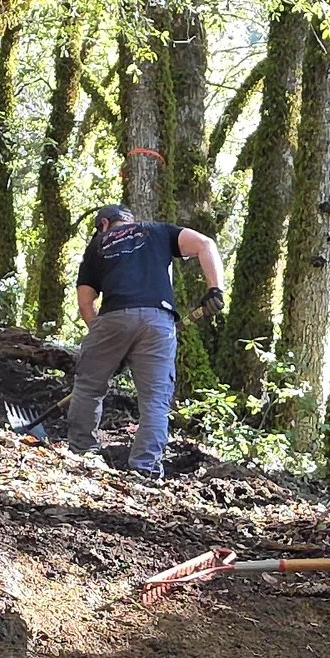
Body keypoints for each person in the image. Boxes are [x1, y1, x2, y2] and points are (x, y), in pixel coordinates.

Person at [63, 202, 224, 482]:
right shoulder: (158, 231)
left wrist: (104, 342)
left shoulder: (98, 244)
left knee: (89, 387)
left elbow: (86, 302)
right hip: (159, 321)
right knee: (155, 402)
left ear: (103, 224)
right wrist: (214, 289)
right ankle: (144, 469)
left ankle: (83, 455)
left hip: (113, 315)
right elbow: (205, 244)